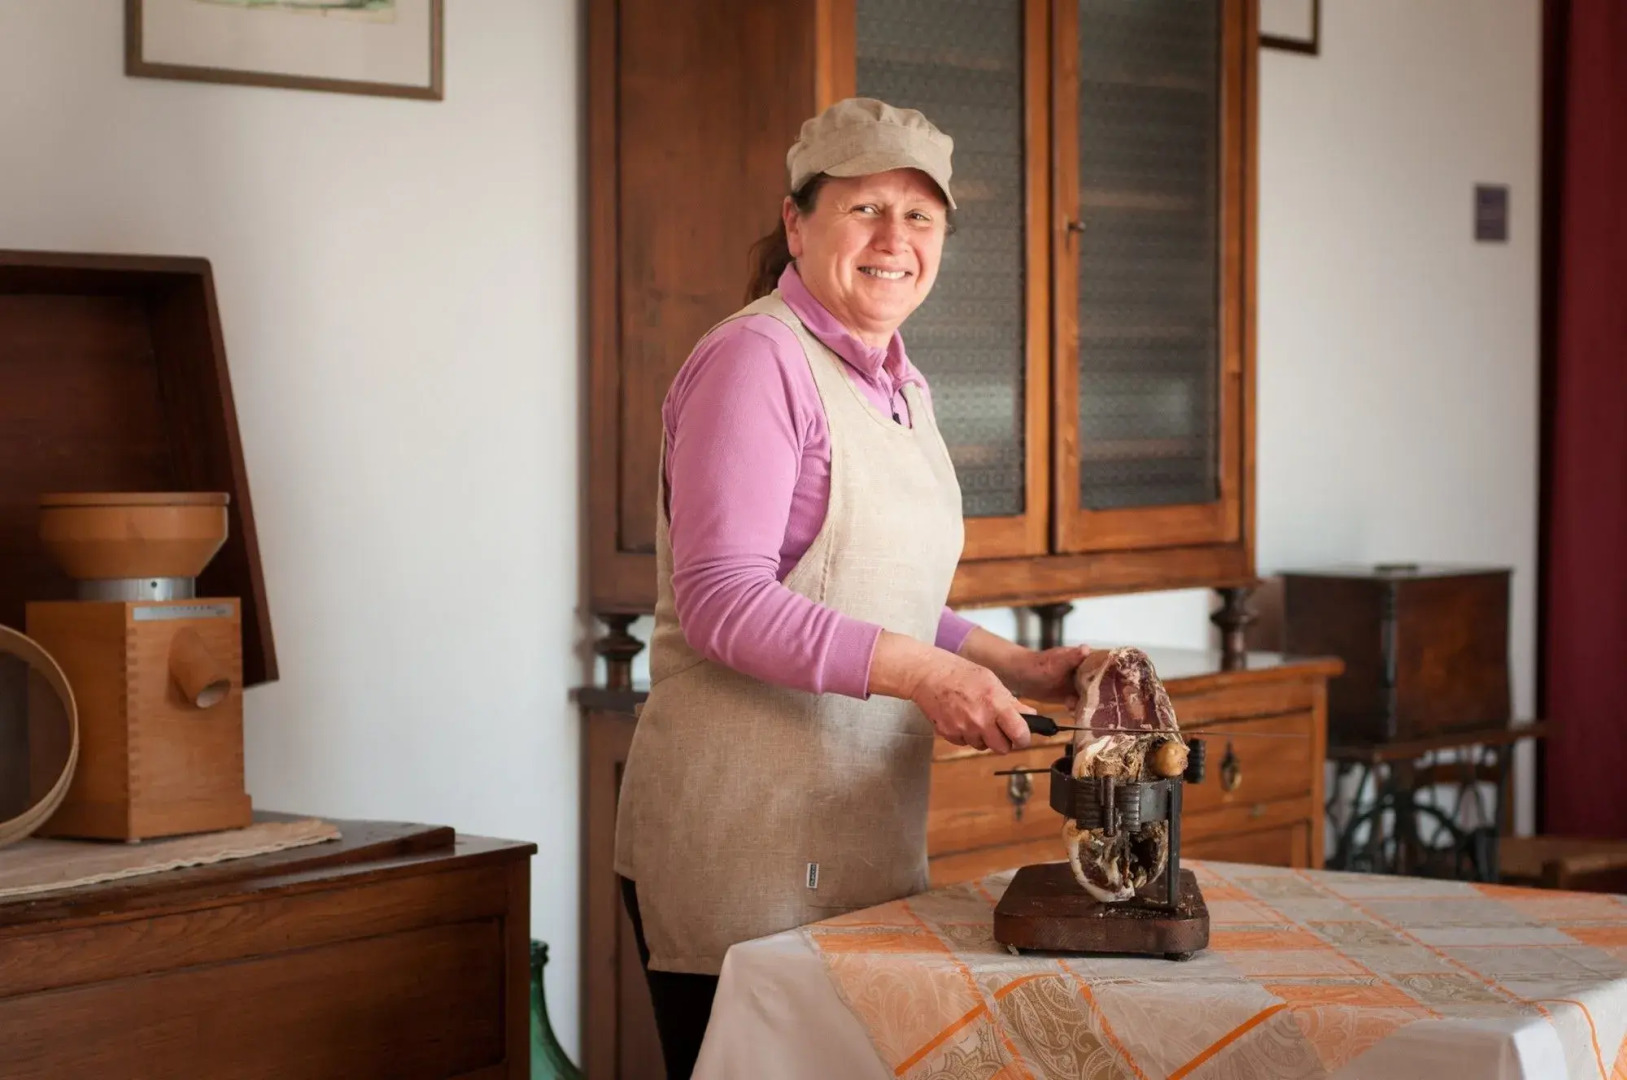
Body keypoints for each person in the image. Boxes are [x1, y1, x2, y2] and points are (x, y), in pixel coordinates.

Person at [612, 97, 1089, 1079]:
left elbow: (866, 587)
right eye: (865, 206)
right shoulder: (754, 361)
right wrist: (923, 675)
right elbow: (721, 599)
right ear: (796, 222)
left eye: (920, 217)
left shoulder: (900, 385)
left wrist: (1017, 666)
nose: (894, 239)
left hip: (858, 846)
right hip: (744, 850)